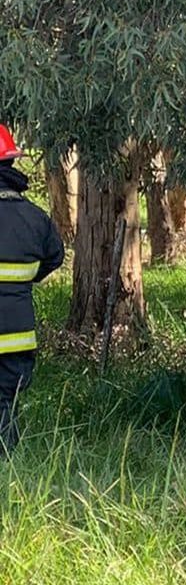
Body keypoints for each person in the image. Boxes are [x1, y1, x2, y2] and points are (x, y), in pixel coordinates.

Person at [0, 124, 64, 453]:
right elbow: (55, 256)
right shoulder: (35, 218)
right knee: (5, 400)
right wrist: (23, 280)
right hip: (18, 337)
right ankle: (10, 460)